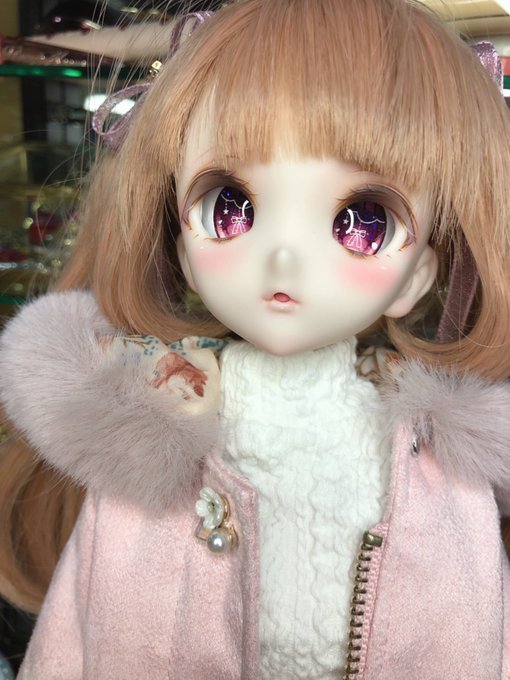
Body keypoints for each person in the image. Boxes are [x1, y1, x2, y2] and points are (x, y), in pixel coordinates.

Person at [1, 1, 510, 677]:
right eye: (229, 207)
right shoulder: (145, 438)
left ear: (416, 277)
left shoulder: (443, 471)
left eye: (363, 221)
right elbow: (73, 643)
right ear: (182, 253)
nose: (283, 260)